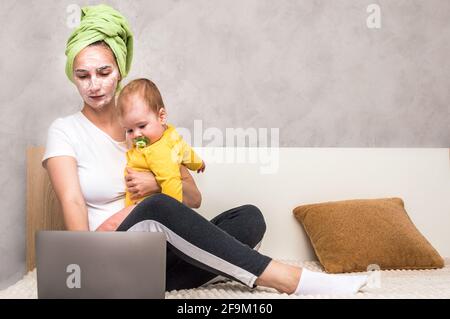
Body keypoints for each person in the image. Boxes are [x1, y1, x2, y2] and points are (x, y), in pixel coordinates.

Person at [43, 4, 368, 294]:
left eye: (104, 72)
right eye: (82, 75)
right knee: (157, 207)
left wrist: (157, 185)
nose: (94, 84)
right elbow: (71, 200)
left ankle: (190, 269)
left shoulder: (145, 128)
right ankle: (290, 279)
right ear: (73, 77)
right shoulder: (65, 131)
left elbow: (194, 199)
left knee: (249, 219)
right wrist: (84, 258)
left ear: (120, 72)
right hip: (106, 253)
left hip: (158, 254)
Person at [117, 78, 205, 206]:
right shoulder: (171, 136)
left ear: (161, 117)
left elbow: (171, 182)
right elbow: (185, 150)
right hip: (137, 208)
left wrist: (171, 211)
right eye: (129, 130)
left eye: (142, 126)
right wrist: (198, 163)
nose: (136, 135)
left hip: (159, 211)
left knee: (170, 181)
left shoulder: (160, 150)